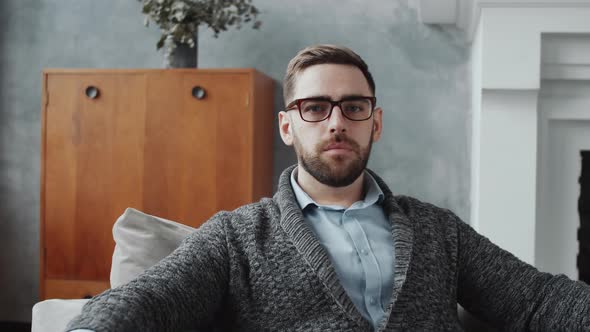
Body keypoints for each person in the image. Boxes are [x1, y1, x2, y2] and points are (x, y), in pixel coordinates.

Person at [67, 45, 590, 332]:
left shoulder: (438, 229)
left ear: (375, 123)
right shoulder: (237, 236)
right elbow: (153, 300)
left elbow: (536, 300)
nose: (336, 121)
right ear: (287, 126)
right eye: (316, 107)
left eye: (353, 107)